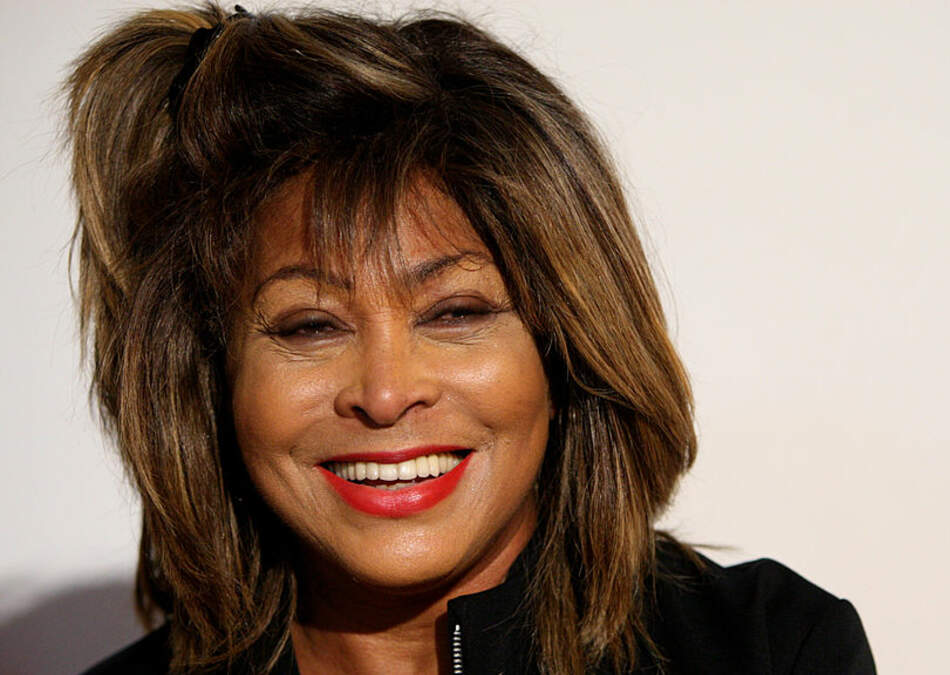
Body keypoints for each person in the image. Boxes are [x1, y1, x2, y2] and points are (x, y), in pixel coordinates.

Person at [65, 3, 875, 673]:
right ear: (213, 376)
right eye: (311, 325)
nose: (386, 392)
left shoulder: (769, 649)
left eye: (454, 312)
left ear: (567, 349)